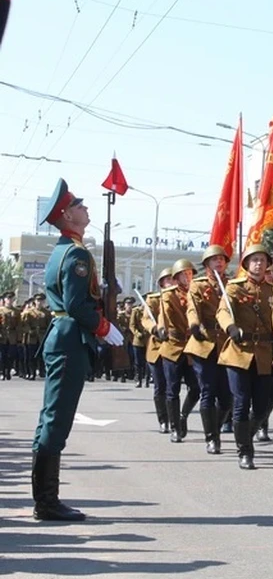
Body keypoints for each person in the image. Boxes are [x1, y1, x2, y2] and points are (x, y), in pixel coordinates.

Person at [31, 178, 124, 521]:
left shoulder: (63, 251)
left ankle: (45, 497)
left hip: (64, 338)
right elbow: (75, 303)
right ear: (67, 216)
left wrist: (101, 287)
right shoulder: (76, 253)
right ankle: (46, 501)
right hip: (71, 340)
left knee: (51, 418)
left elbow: (75, 294)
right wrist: (104, 327)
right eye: (79, 205)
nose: (86, 208)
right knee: (57, 420)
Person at [217, 244, 273, 471]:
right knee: (241, 403)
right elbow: (223, 311)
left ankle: (245, 436)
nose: (259, 264)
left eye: (262, 260)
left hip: (264, 353)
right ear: (246, 264)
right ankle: (245, 451)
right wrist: (230, 327)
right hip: (239, 352)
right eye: (254, 260)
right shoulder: (234, 288)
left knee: (263, 405)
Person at [185, 245, 233, 455]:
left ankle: (216, 427)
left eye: (221, 259)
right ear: (206, 265)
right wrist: (194, 325)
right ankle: (212, 438)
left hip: (227, 344)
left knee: (227, 396)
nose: (219, 262)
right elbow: (192, 308)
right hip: (204, 342)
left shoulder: (231, 285)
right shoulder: (197, 285)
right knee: (208, 391)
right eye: (214, 260)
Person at [158, 258, 202, 443]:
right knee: (172, 389)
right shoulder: (169, 295)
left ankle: (183, 416)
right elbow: (164, 315)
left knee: (196, 388)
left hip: (192, 347)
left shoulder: (199, 292)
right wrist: (161, 328)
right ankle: (175, 427)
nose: (188, 277)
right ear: (176, 278)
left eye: (190, 273)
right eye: (184, 274)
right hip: (173, 346)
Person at [142, 268, 174, 433]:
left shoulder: (180, 297)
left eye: (173, 279)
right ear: (162, 283)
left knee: (172, 386)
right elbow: (146, 319)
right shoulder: (153, 300)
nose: (172, 282)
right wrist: (155, 329)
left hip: (175, 347)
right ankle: (163, 420)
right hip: (157, 348)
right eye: (168, 279)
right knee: (160, 385)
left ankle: (175, 418)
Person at [129, 297, 149, 388]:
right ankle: (138, 379)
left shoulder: (151, 311)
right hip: (138, 340)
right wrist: (137, 333)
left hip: (149, 340)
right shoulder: (136, 311)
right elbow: (132, 325)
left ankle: (147, 379)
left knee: (148, 361)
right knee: (138, 361)